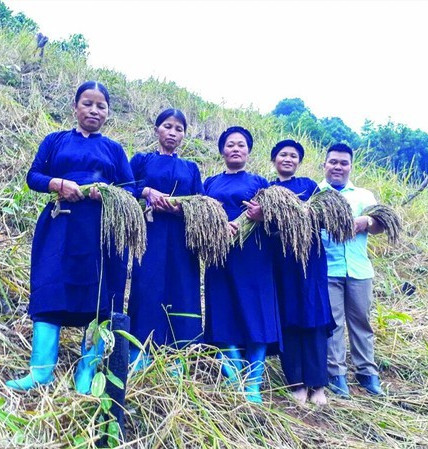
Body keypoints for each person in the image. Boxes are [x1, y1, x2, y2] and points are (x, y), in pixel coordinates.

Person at [6, 81, 134, 393]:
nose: (94, 110)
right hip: (59, 225)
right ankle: (40, 372)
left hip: (100, 232)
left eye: (100, 106)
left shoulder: (114, 150)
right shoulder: (55, 141)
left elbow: (129, 189)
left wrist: (104, 192)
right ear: (75, 107)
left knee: (98, 296)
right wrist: (58, 183)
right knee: (50, 288)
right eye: (87, 103)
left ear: (108, 113)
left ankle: (87, 373)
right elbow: (34, 176)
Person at [203, 126, 282, 403]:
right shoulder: (210, 183)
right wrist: (217, 225)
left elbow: (277, 216)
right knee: (222, 313)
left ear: (248, 151)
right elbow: (200, 214)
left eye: (241, 145)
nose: (235, 149)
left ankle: (254, 385)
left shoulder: (260, 182)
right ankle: (235, 376)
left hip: (254, 257)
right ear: (222, 151)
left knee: (256, 315)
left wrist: (262, 214)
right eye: (230, 145)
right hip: (220, 255)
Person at [128, 109, 203, 367]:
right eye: (168, 126)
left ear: (183, 135)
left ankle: (178, 360)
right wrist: (147, 191)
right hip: (149, 234)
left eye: (179, 129)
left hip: (182, 240)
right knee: (146, 288)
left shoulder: (190, 168)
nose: (173, 133)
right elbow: (124, 188)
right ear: (157, 129)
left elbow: (202, 202)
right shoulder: (141, 160)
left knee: (182, 290)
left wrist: (181, 207)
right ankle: (139, 354)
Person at [270, 139, 335, 405]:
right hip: (282, 263)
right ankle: (296, 383)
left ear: (299, 161)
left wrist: (301, 213)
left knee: (315, 318)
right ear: (274, 160)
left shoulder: (310, 186)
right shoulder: (268, 189)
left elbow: (325, 215)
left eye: (293, 155)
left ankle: (317, 385)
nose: (288, 159)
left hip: (310, 262)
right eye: (283, 154)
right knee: (289, 319)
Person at [319, 143, 385, 397]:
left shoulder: (364, 196)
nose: (338, 167)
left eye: (343, 163)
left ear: (350, 166)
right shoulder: (316, 193)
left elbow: (381, 224)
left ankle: (367, 373)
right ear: (324, 164)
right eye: (333, 162)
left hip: (359, 270)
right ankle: (337, 375)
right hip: (328, 269)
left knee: (361, 322)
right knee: (333, 324)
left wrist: (366, 221)